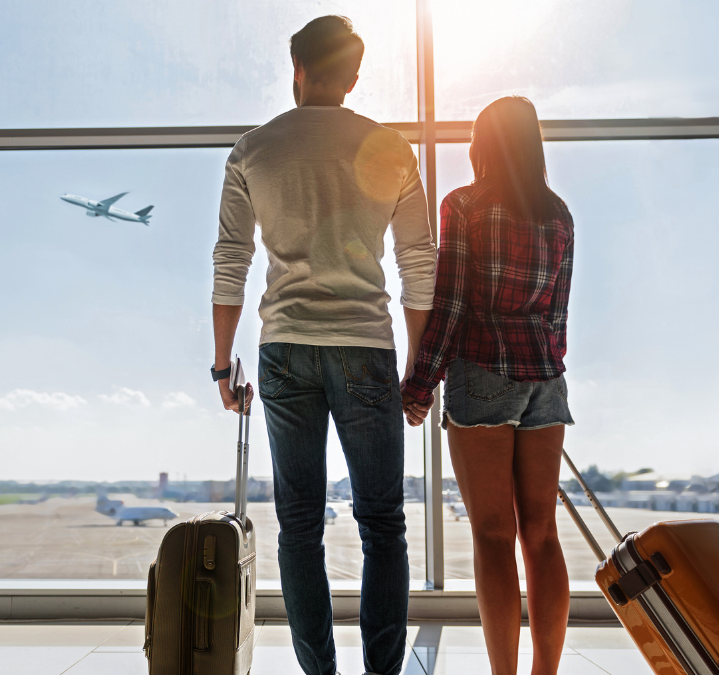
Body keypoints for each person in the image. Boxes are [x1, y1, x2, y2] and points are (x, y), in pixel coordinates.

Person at [210, 15, 435, 675]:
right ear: (354, 78)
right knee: (382, 522)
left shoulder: (253, 150)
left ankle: (319, 672)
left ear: (297, 69)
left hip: (284, 348)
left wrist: (223, 364)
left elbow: (231, 261)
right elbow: (418, 262)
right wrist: (419, 368)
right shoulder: (391, 147)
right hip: (366, 345)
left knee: (299, 525)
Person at [401, 96, 575, 675]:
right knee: (542, 536)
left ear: (484, 144)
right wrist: (544, 371)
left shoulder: (466, 205)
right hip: (546, 379)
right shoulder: (559, 214)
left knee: (494, 538)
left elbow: (449, 306)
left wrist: (420, 385)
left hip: (482, 373)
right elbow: (559, 315)